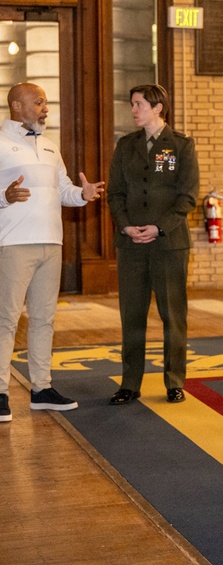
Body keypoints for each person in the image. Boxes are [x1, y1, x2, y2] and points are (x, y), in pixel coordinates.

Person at [0, 82, 104, 422]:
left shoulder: (48, 146)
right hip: (13, 244)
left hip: (51, 244)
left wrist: (83, 194)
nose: (45, 108)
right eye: (39, 102)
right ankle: (0, 393)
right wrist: (5, 197)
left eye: (45, 102)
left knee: (44, 319)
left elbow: (64, 192)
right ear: (17, 106)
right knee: (6, 320)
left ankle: (41, 389)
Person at [107, 85, 199, 405]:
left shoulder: (181, 146)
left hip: (169, 245)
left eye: (139, 104)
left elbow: (188, 197)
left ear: (158, 108)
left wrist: (160, 228)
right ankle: (130, 383)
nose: (133, 110)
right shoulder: (125, 146)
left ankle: (174, 381)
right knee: (131, 316)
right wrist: (126, 227)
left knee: (173, 315)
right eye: (132, 104)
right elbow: (115, 194)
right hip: (131, 245)